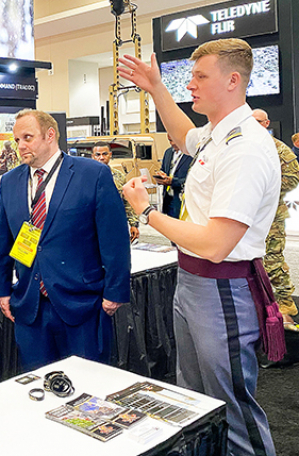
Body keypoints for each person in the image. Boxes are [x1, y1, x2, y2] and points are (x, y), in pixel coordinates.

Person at [119, 38, 280, 456]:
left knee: (232, 407)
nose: (190, 85)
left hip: (221, 286)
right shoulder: (217, 134)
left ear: (232, 80)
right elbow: (183, 135)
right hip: (194, 281)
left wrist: (148, 214)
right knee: (197, 402)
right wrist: (156, 88)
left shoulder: (244, 148)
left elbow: (215, 244)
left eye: (199, 76)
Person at [0, 109, 131, 371]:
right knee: (39, 385)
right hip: (30, 306)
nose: (20, 146)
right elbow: (4, 241)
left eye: (27, 138)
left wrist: (115, 291)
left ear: (50, 135)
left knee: (86, 386)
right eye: (17, 139)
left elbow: (115, 240)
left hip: (81, 303)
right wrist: (2, 290)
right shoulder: (10, 181)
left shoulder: (92, 174)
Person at [253, 109, 299, 331]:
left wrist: (264, 187)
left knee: (272, 259)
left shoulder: (280, 149)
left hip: (271, 214)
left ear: (266, 123)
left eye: (257, 122)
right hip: (247, 214)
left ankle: (285, 302)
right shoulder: (243, 147)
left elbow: (292, 180)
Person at [91, 142, 140, 241]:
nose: (101, 157)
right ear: (93, 156)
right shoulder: (85, 177)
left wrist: (133, 224)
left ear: (110, 155)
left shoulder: (119, 176)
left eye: (104, 154)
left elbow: (126, 201)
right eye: (98, 154)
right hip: (92, 226)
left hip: (114, 223)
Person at [154, 136, 192, 219]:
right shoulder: (168, 152)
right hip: (168, 198)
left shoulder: (191, 155)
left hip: (181, 199)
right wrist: (161, 175)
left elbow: (192, 180)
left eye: (174, 140)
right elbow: (164, 169)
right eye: (170, 140)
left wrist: (173, 181)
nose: (172, 143)